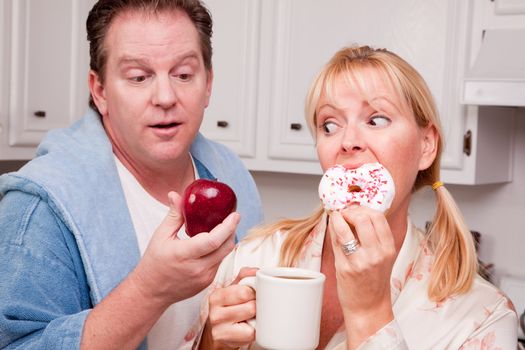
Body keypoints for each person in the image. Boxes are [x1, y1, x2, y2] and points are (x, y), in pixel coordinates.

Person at [198, 46, 518, 349]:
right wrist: (213, 342)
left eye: (376, 119)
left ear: (426, 145)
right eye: (330, 125)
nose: (348, 141)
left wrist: (371, 312)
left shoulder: (482, 319)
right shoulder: (254, 259)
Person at [0, 0, 263, 349]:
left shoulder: (232, 174)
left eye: (183, 74)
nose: (166, 97)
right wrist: (150, 289)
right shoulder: (38, 208)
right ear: (100, 91)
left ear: (208, 83)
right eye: (139, 77)